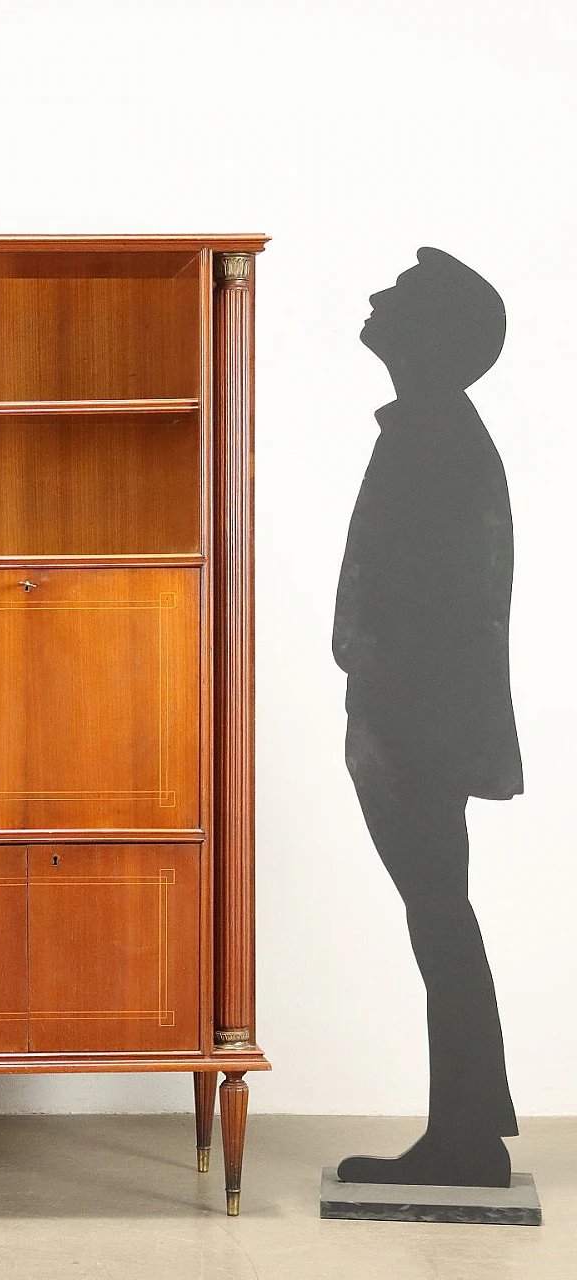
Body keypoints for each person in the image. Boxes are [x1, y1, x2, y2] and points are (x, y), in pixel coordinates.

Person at [332, 247, 521, 1187]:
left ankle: (468, 1138)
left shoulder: (437, 435)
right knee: (440, 915)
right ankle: (469, 1130)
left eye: (400, 294)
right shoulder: (431, 429)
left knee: (440, 915)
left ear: (434, 334)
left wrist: (394, 713)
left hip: (417, 725)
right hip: (410, 718)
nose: (376, 296)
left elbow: (456, 602)